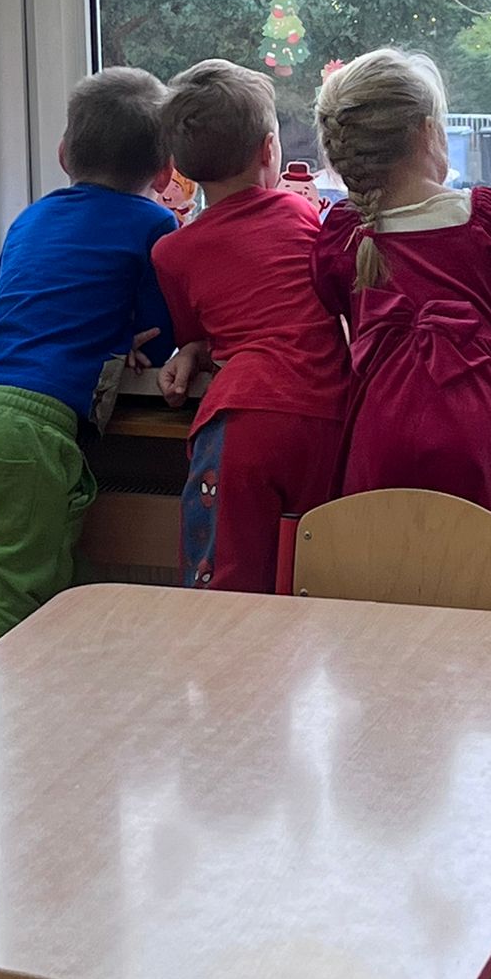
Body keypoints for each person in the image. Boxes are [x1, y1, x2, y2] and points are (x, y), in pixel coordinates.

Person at [312, 50, 491, 606]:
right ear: (428, 131)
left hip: (380, 425)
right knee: (490, 591)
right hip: (480, 426)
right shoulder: (487, 218)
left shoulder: (342, 235)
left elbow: (347, 331)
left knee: (379, 592)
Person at [0, 68, 176, 639]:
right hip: (28, 432)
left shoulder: (30, 218)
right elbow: (163, 336)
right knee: (18, 595)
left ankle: (59, 683)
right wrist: (129, 338)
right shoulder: (155, 222)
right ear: (167, 171)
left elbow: (2, 316)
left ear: (64, 153)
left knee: (46, 577)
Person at [154, 60, 350, 590]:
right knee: (316, 581)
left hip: (243, 422)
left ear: (181, 167)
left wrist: (191, 350)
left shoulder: (172, 252)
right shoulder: (301, 214)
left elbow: (197, 334)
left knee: (227, 585)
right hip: (329, 413)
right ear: (269, 150)